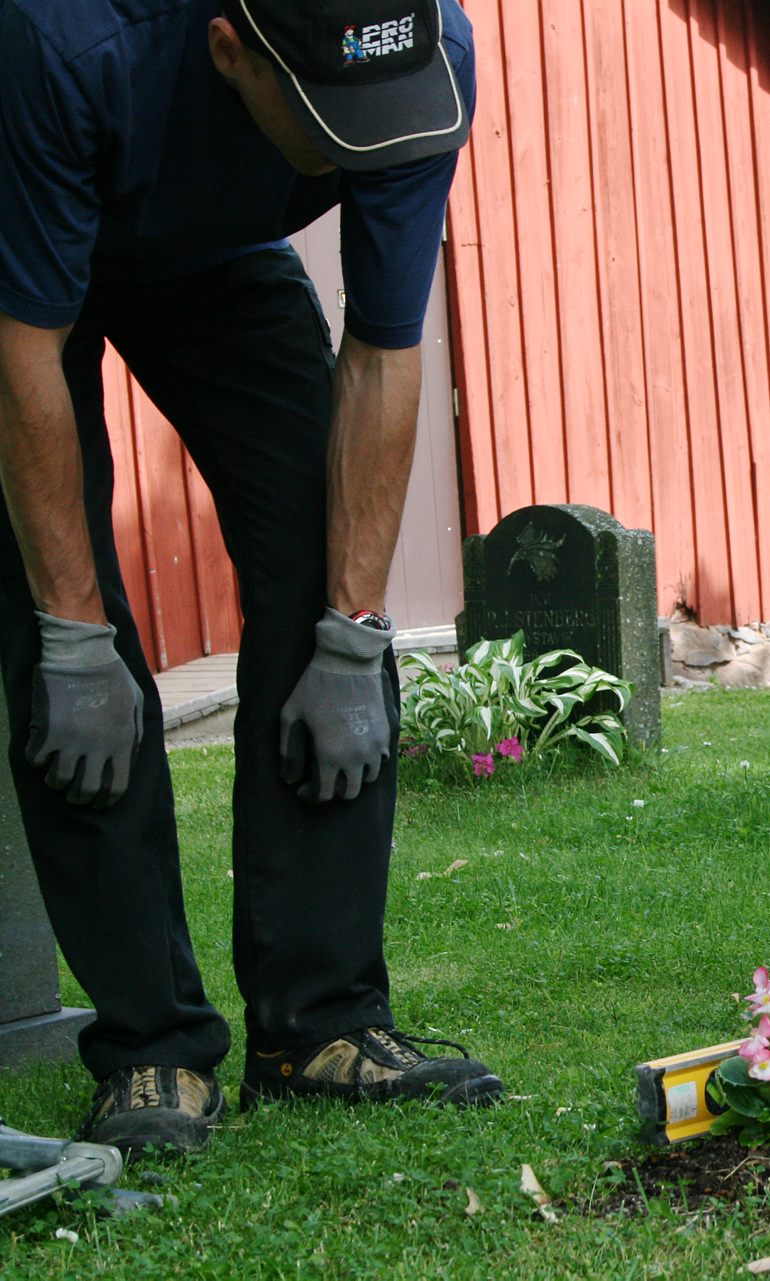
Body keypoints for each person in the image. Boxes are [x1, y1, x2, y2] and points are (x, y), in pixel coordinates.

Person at [0, 0, 500, 1156]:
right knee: (54, 620)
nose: (353, 144)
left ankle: (318, 1026)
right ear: (230, 46)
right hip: (24, 261)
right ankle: (149, 1047)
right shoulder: (66, 40)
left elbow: (385, 344)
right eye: (327, 120)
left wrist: (351, 629)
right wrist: (74, 641)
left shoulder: (421, 60)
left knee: (331, 576)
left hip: (219, 256)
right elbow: (24, 350)